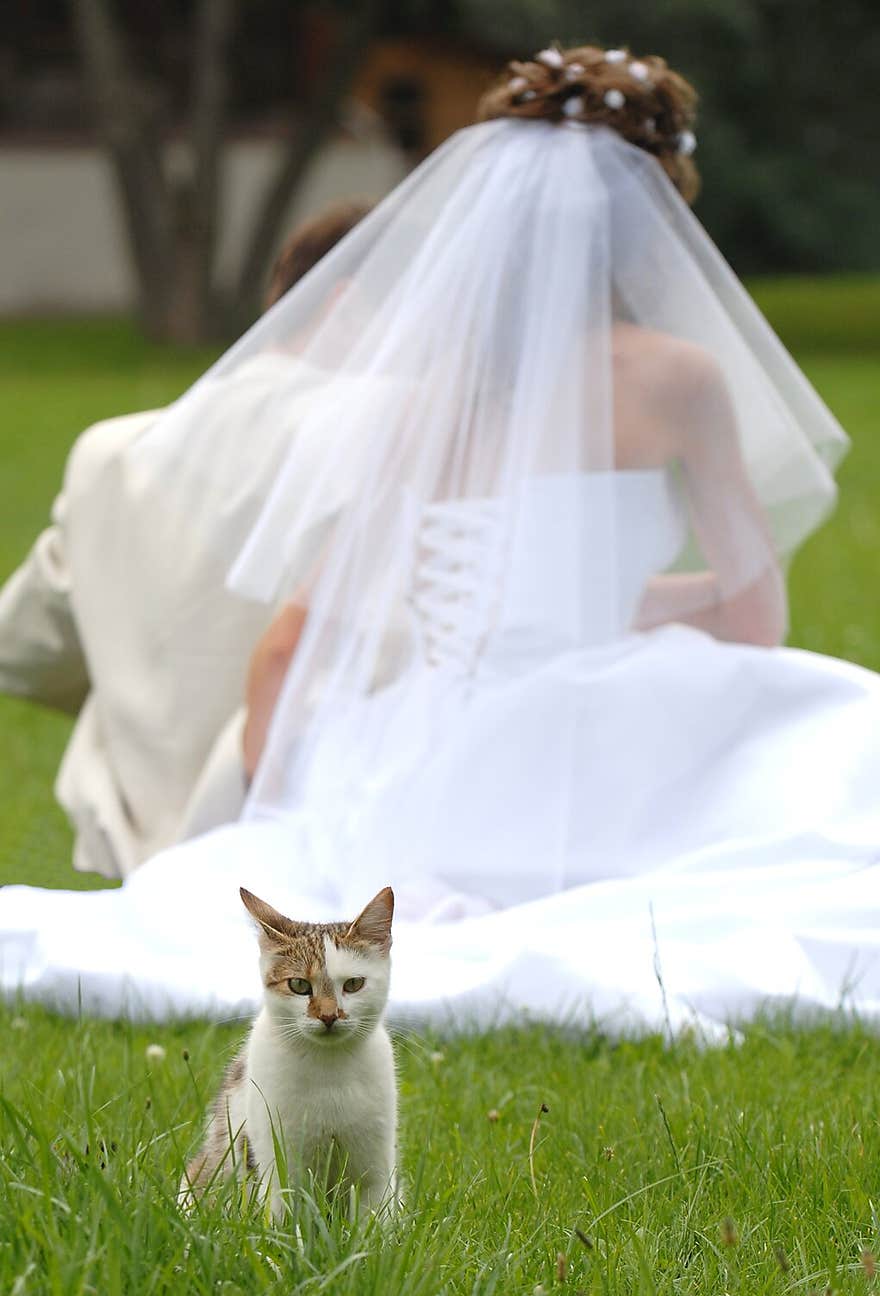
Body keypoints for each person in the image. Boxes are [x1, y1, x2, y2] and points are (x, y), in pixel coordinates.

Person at [2, 43, 879, 1041]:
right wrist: (614, 601)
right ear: (652, 227)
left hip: (433, 749)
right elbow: (753, 618)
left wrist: (274, 818)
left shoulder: (420, 398)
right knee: (845, 749)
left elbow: (296, 638)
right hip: (606, 731)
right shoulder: (672, 380)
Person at [0, 200, 372, 878]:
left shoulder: (110, 452)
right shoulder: (392, 436)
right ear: (344, 303)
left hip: (135, 855)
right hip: (312, 849)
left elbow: (21, 647)